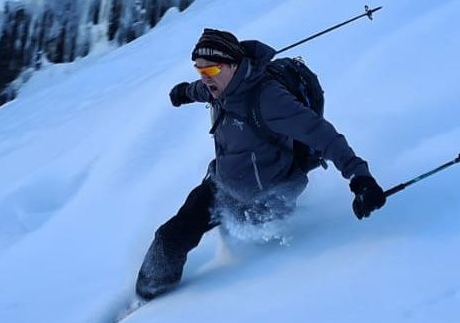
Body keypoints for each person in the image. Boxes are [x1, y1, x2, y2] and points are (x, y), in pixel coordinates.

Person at [134, 28, 387, 301]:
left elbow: (323, 135)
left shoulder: (269, 100)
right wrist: (184, 92)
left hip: (267, 199)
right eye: (199, 71)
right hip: (222, 183)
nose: (205, 79)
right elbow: (203, 90)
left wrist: (361, 179)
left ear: (233, 65)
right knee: (167, 239)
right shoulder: (219, 88)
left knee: (249, 250)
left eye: (210, 71)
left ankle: (159, 318)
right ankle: (146, 298)